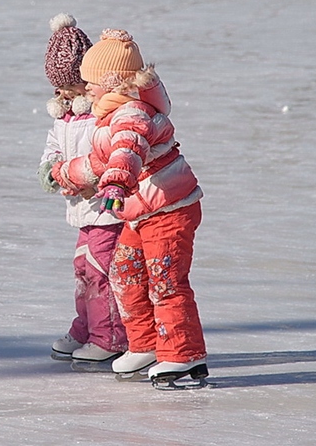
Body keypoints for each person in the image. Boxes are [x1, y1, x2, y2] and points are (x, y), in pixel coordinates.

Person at [50, 28, 208, 388]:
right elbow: (97, 160)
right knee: (124, 275)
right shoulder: (111, 115)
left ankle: (182, 353)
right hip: (141, 212)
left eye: (91, 81)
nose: (86, 87)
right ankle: (146, 345)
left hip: (169, 209)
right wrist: (65, 174)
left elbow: (126, 152)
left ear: (114, 82)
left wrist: (117, 181)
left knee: (165, 282)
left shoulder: (131, 113)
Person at [38, 14, 128, 367]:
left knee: (99, 270)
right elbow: (53, 147)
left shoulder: (100, 116)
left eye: (68, 85)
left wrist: (76, 177)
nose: (61, 93)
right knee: (82, 268)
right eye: (55, 86)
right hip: (82, 210)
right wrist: (51, 168)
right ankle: (86, 327)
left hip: (107, 208)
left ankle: (108, 338)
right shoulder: (64, 117)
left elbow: (103, 158)